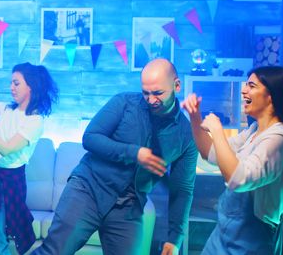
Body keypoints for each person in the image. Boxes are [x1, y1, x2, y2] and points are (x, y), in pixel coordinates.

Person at [34, 58, 197, 255]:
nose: (151, 100)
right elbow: (90, 138)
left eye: (158, 93)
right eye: (146, 93)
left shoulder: (187, 135)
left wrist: (175, 237)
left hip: (129, 206)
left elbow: (182, 189)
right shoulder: (124, 102)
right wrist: (133, 153)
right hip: (88, 189)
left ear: (176, 86)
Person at [182, 66, 283, 254]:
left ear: (271, 96)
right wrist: (195, 117)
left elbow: (238, 179)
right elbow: (210, 153)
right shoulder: (253, 131)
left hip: (251, 240)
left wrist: (218, 131)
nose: (244, 90)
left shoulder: (281, 139)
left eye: (252, 86)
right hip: (223, 234)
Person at [0, 63, 59, 255]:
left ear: (31, 86)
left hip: (10, 181)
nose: (11, 87)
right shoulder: (7, 109)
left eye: (16, 83)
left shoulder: (35, 121)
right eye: (11, 83)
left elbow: (6, 149)